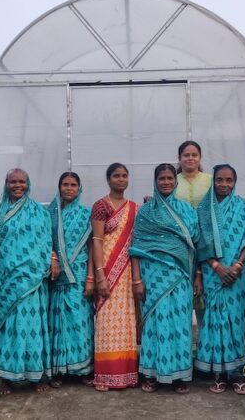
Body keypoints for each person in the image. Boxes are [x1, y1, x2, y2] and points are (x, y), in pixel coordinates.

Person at [130, 163, 199, 395]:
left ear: (176, 180)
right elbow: (136, 248)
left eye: (170, 178)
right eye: (162, 178)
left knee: (179, 324)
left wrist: (196, 274)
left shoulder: (187, 210)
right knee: (155, 323)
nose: (166, 182)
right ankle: (151, 373)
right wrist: (137, 280)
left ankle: (179, 375)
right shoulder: (146, 212)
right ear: (155, 181)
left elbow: (194, 245)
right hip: (152, 276)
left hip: (180, 275)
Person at [0, 168, 52, 395]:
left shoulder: (39, 212)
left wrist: (49, 263)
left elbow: (47, 244)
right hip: (7, 281)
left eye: (22, 181)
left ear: (28, 183)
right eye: (13, 181)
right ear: (6, 183)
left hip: (33, 281)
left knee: (34, 327)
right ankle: (7, 378)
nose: (17, 185)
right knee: (8, 328)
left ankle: (35, 376)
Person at [194, 164, 245, 395]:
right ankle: (219, 374)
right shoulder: (203, 210)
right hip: (212, 273)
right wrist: (217, 267)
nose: (224, 184)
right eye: (220, 180)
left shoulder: (244, 207)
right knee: (214, 320)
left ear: (234, 182)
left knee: (235, 322)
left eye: (229, 180)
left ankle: (237, 373)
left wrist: (238, 265)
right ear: (213, 181)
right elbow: (199, 243)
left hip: (238, 274)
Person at [90, 163, 139, 391]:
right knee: (107, 321)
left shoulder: (134, 207)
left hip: (127, 269)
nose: (121, 179)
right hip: (107, 268)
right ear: (108, 179)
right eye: (116, 176)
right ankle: (105, 375)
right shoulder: (101, 206)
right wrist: (99, 275)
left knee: (126, 320)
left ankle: (126, 374)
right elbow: (97, 241)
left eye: (124, 175)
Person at [47, 172, 95, 388]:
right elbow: (44, 242)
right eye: (65, 184)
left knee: (80, 321)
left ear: (79, 187)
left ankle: (83, 369)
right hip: (56, 276)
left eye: (73, 184)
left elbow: (92, 247)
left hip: (80, 274)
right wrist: (54, 258)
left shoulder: (87, 214)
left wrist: (92, 277)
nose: (68, 188)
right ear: (58, 187)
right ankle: (58, 369)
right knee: (57, 323)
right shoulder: (49, 214)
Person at [174, 141, 210, 334]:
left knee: (204, 296)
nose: (190, 158)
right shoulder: (172, 180)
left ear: (200, 157)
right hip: (180, 244)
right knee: (181, 296)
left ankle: (205, 346)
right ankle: (183, 346)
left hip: (206, 243)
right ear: (179, 158)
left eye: (194, 155)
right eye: (186, 155)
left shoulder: (210, 180)